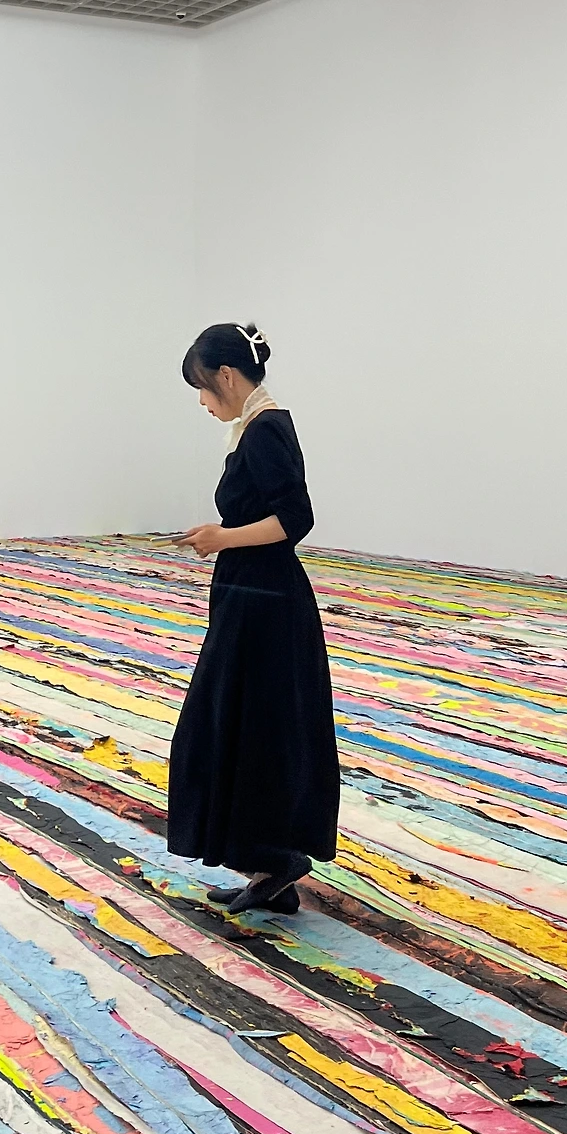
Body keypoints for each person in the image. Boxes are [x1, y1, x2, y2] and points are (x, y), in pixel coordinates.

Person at [169, 321, 340, 915]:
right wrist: (222, 537)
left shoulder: (266, 430)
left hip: (264, 601)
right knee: (251, 725)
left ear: (226, 375)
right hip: (254, 595)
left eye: (202, 386)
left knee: (233, 726)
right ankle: (271, 871)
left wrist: (222, 537)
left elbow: (295, 519)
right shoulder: (257, 426)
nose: (201, 401)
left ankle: (274, 859)